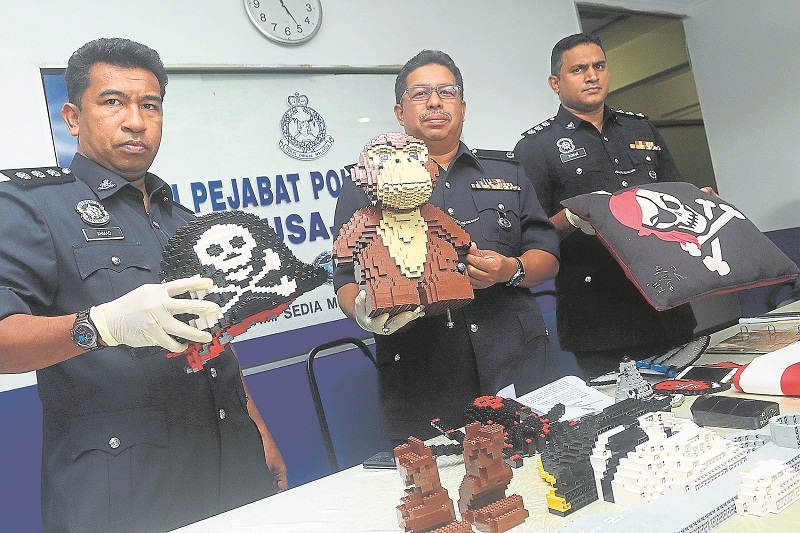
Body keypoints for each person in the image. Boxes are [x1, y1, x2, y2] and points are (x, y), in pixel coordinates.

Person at [0, 38, 286, 532]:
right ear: (73, 116)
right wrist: (101, 325)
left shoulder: (185, 222)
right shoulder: (32, 209)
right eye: (112, 102)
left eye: (149, 104)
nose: (135, 120)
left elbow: (215, 342)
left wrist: (257, 427)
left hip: (229, 457)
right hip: (124, 485)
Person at [332, 50, 563, 442]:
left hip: (516, 361)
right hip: (424, 375)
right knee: (441, 488)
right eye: (420, 94)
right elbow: (343, 274)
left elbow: (547, 253)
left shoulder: (508, 172)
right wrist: (364, 312)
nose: (435, 102)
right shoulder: (364, 187)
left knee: (545, 468)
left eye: (446, 92)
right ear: (400, 112)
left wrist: (511, 270)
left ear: (463, 106)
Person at [513, 33, 698, 377]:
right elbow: (529, 235)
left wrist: (697, 203)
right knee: (626, 422)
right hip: (599, 318)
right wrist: (570, 218)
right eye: (578, 69)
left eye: (599, 66)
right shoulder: (536, 147)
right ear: (556, 82)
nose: (592, 75)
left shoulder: (639, 128)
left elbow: (675, 195)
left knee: (689, 404)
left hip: (666, 302)